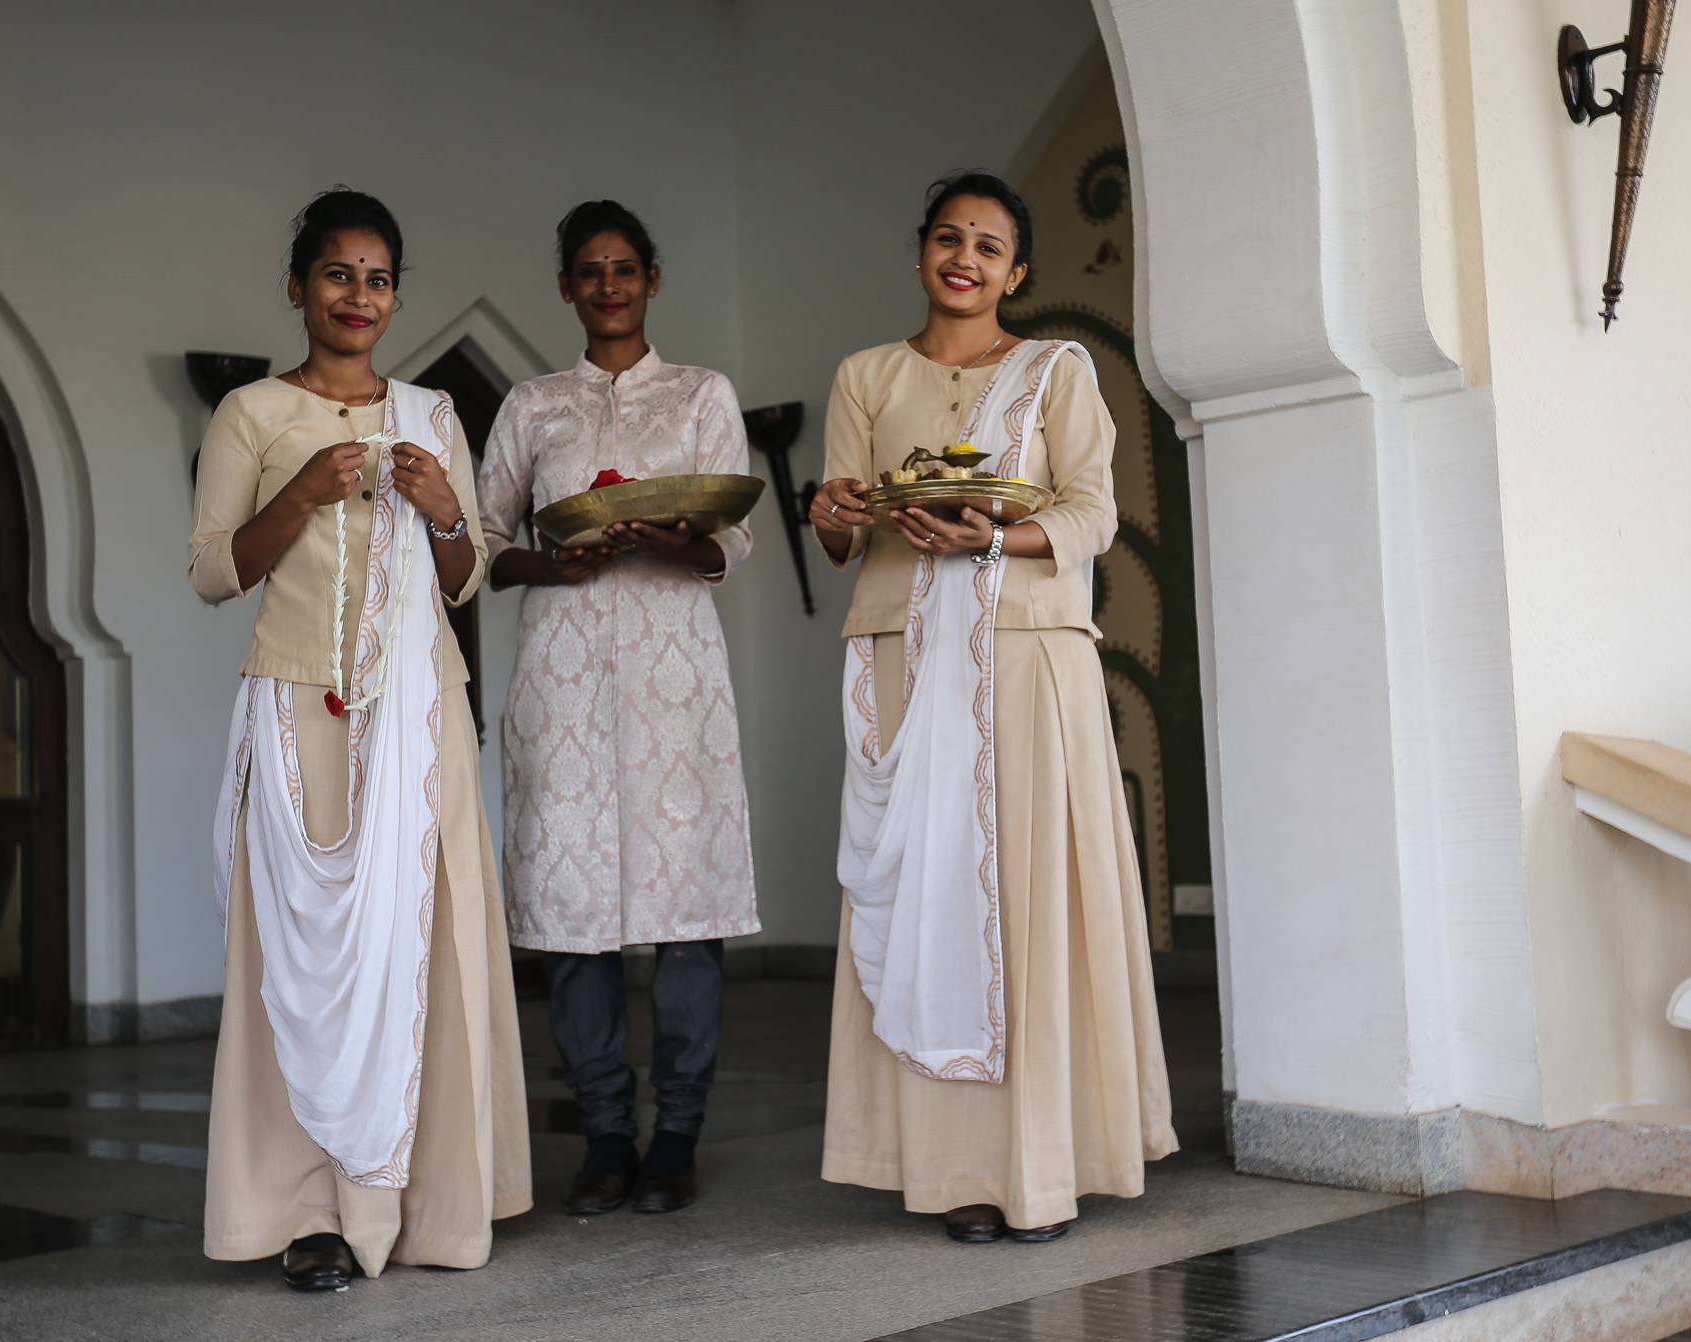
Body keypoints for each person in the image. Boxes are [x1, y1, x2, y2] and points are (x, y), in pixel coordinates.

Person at [809, 171, 1177, 1243]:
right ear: (920, 250)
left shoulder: (1056, 373)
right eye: (947, 237)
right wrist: (836, 511)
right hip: (905, 658)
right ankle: (955, 1169)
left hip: (1022, 654)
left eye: (989, 245)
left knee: (1024, 897)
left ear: (1018, 271)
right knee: (925, 897)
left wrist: (993, 538)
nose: (964, 258)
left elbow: (1092, 512)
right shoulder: (866, 376)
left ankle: (1048, 1160)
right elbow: (844, 531)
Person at [189, 188, 530, 1291]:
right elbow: (212, 570)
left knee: (420, 942)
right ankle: (306, 1212)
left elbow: (468, 572)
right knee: (303, 964)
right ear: (299, 286)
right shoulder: (250, 413)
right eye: (339, 274)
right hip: (298, 712)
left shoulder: (433, 416)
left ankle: (431, 1201)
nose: (359, 296)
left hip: (418, 715)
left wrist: (441, 510)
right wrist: (298, 492)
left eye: (379, 278)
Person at [478, 199, 758, 1217]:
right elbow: (475, 540)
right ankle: (604, 1133)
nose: (608, 286)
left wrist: (673, 539)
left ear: (651, 280)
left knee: (689, 912)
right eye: (589, 271)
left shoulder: (699, 393)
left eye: (625, 269)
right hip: (562, 677)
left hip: (676, 681)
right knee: (573, 914)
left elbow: (731, 536)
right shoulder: (532, 405)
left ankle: (675, 1134)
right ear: (566, 287)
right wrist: (548, 561)